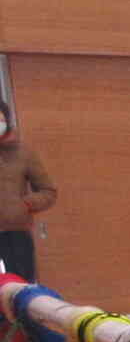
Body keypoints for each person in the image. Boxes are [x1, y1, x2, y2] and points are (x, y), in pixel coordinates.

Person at [0, 99, 59, 281]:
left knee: (19, 291)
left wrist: (25, 204)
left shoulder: (22, 152)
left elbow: (48, 191)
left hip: (15, 236)